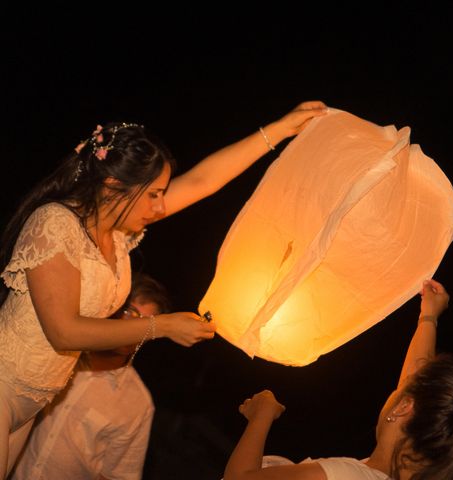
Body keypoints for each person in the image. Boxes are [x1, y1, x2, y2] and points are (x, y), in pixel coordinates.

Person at [0, 101, 328, 478]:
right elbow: (64, 329)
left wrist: (279, 129)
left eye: (162, 193)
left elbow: (204, 180)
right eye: (153, 194)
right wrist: (164, 327)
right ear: (113, 187)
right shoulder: (55, 224)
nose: (160, 206)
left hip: (33, 400)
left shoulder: (118, 234)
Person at [224, 279, 453, 480]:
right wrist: (429, 317)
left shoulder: (347, 476)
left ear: (403, 408)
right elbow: (416, 379)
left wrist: (262, 415)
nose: (400, 387)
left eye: (400, 393)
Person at [10, 272, 171, 480]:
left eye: (145, 322)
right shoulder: (61, 353)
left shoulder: (137, 404)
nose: (133, 325)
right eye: (129, 312)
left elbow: (118, 476)